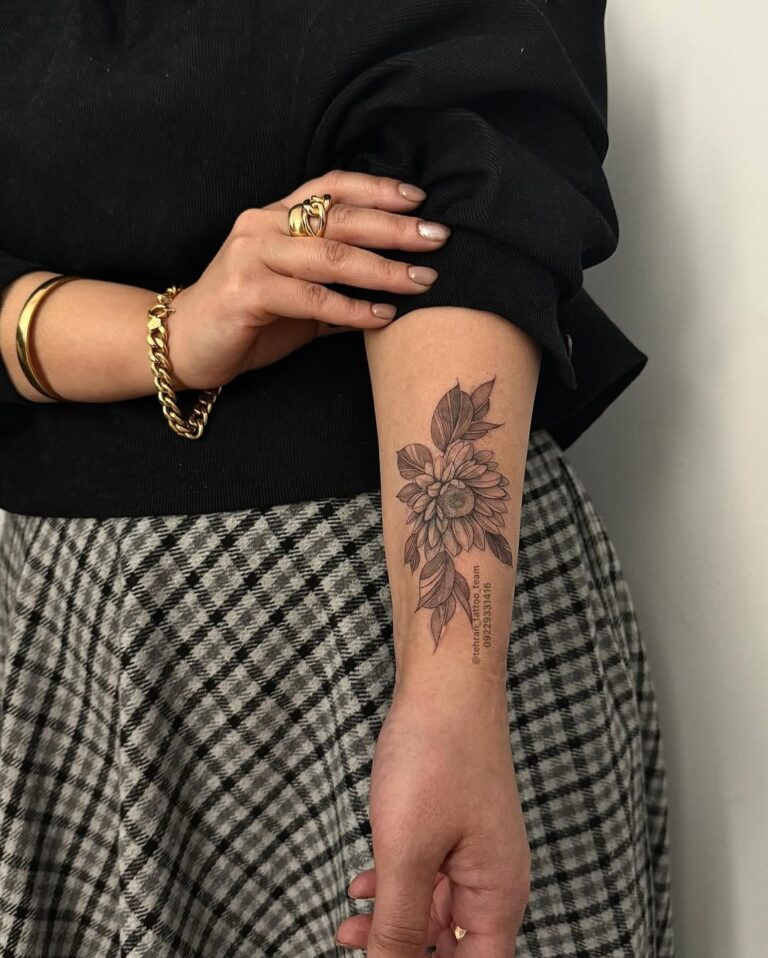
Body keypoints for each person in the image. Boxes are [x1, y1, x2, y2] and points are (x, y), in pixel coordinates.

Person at [0, 1, 674, 955]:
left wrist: (446, 699)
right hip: (72, 650)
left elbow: (471, 189)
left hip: (374, 630)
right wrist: (170, 333)